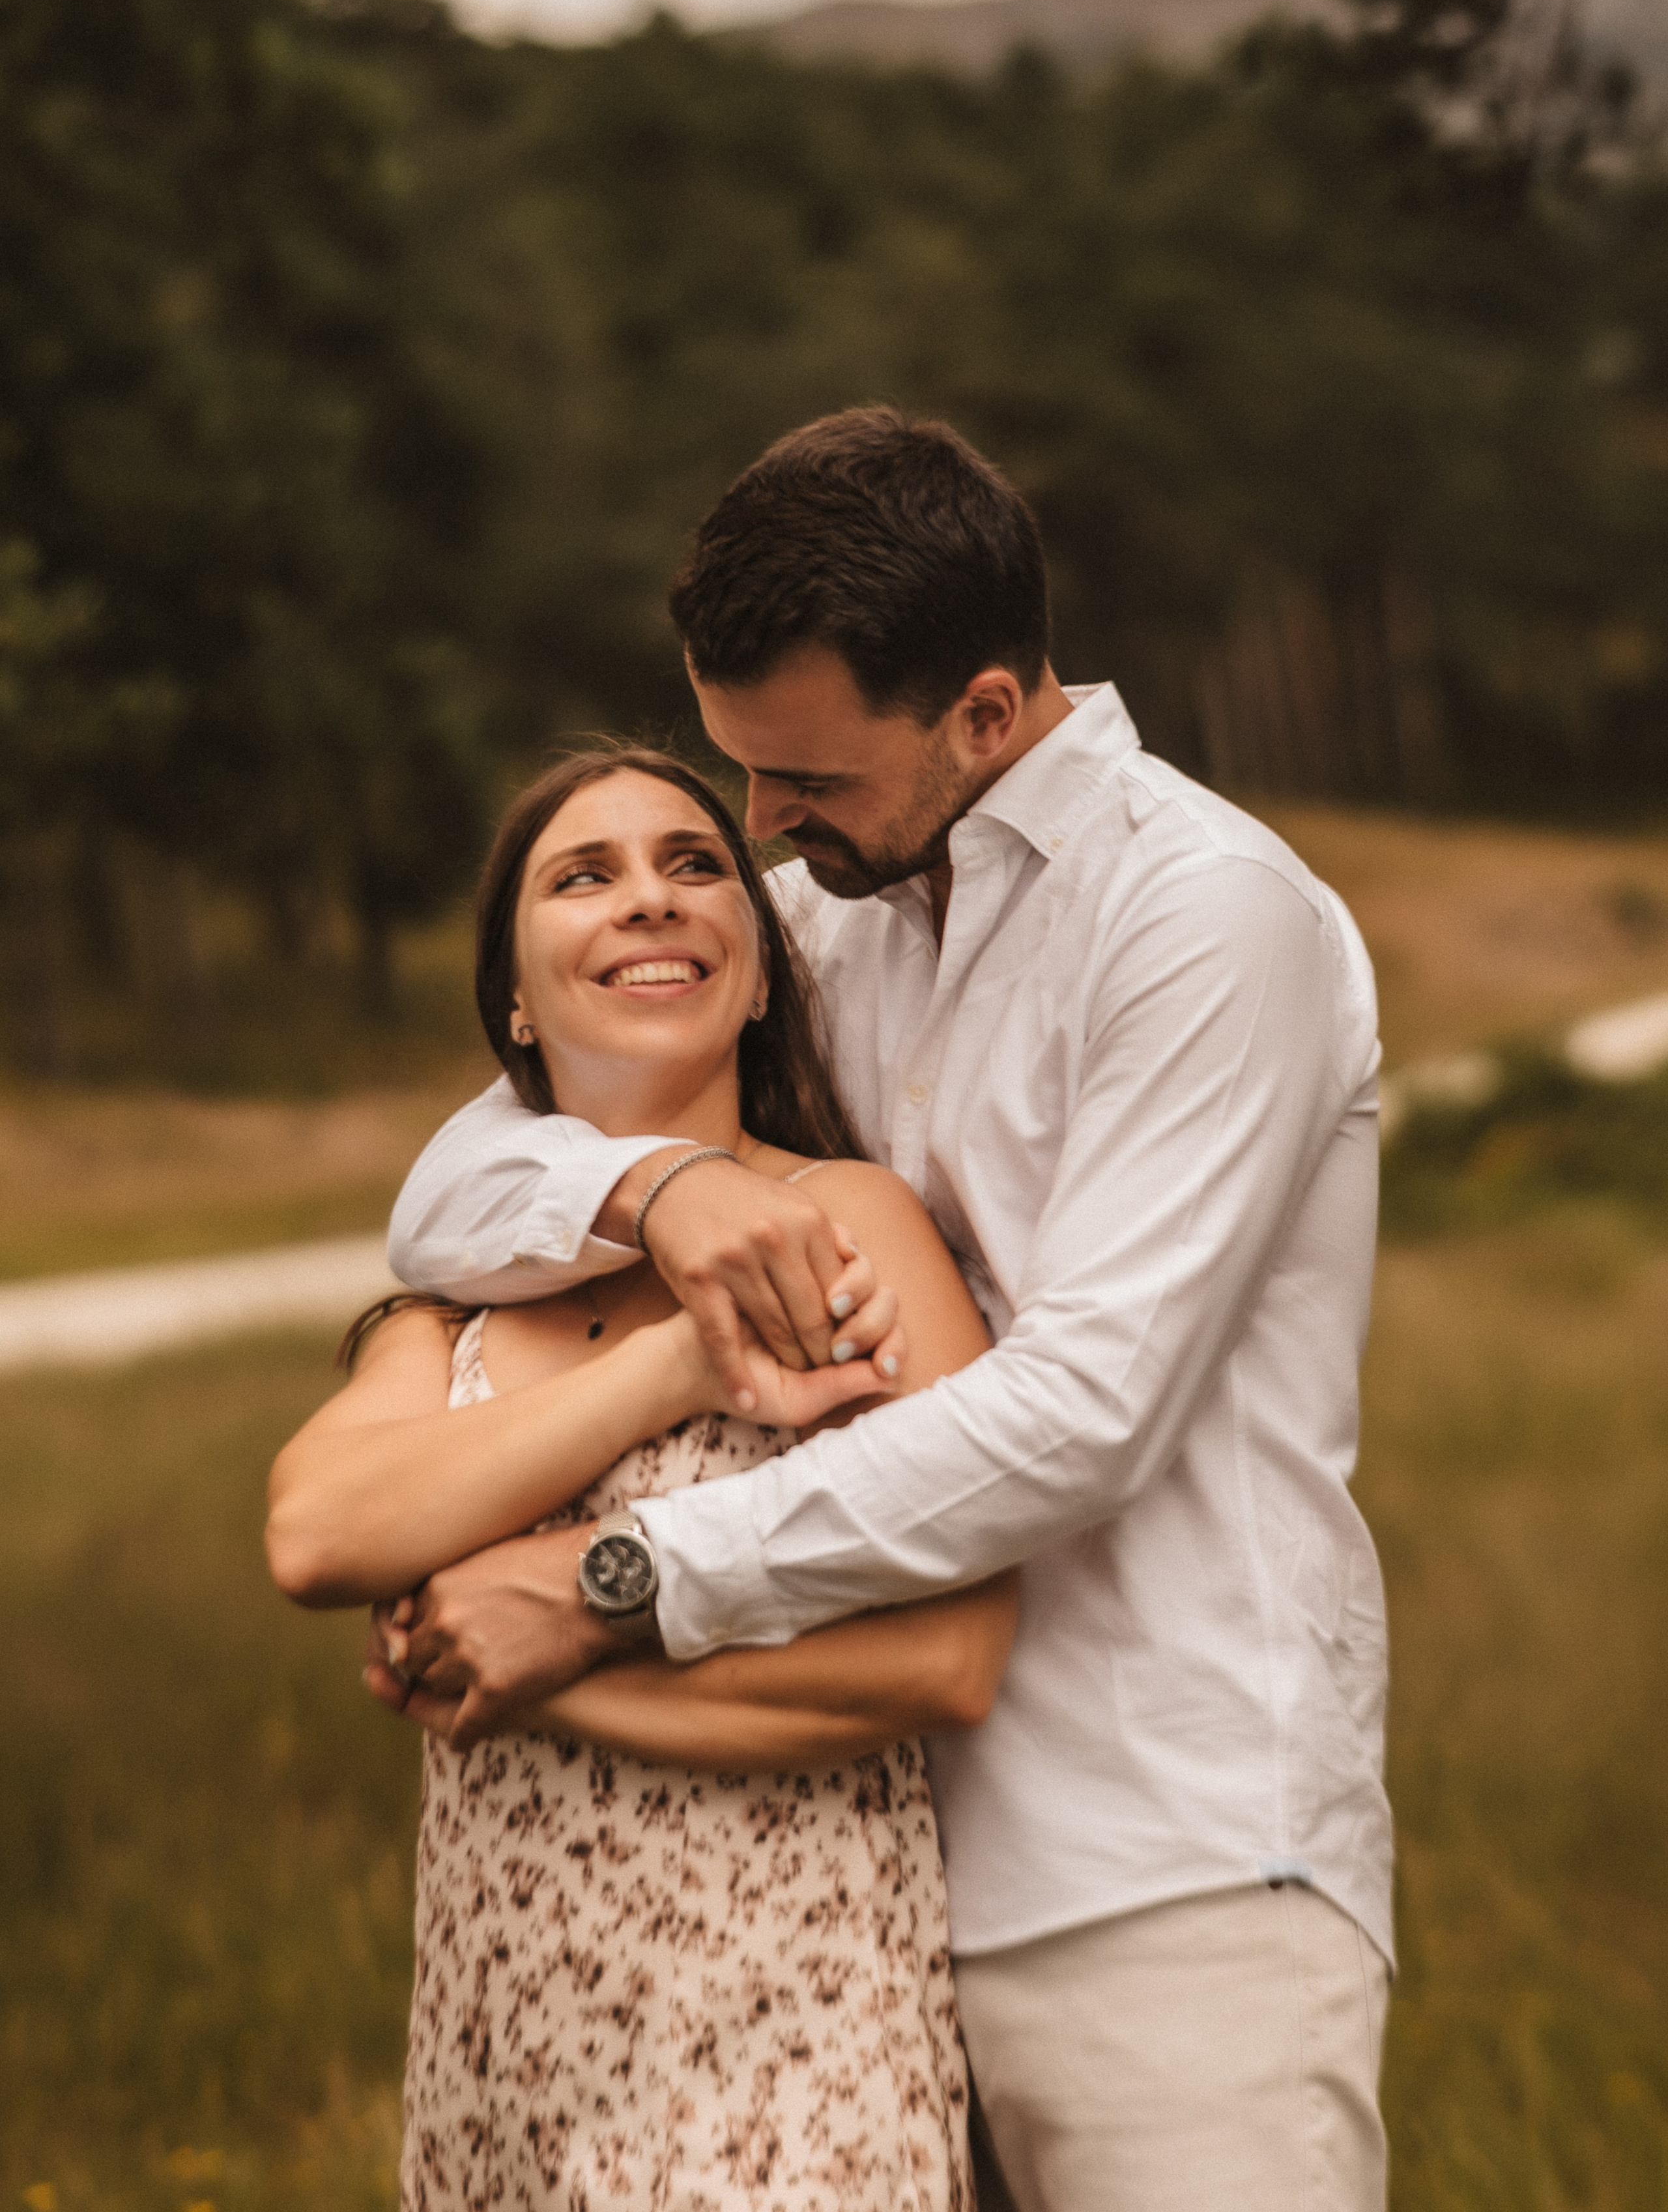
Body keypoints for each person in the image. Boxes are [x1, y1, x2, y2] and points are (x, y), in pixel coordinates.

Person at [381, 406, 1394, 2212]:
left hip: (1166, 1870)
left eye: (806, 782)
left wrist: (622, 1582)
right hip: (866, 1894)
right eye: (741, 773)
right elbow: (456, 1180)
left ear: (985, 715)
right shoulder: (834, 912)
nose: (759, 826)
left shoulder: (1206, 917)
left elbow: (1088, 1412)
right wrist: (659, 1186)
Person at [266, 746, 1019, 2211]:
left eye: (692, 866)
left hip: (794, 2053)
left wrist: (545, 1657)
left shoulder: (850, 1224)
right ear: (514, 999)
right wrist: (680, 1366)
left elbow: (944, 1655)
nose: (646, 901)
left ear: (753, 981)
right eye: (582, 875)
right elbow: (316, 1534)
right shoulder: (450, 1325)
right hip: (507, 2074)